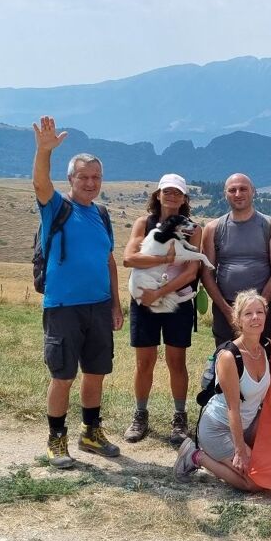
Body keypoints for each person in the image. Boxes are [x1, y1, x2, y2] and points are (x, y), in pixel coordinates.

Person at [32, 116, 124, 469]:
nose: (90, 182)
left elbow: (109, 261)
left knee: (96, 372)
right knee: (63, 376)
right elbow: (40, 182)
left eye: (95, 177)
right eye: (83, 177)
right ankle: (57, 439)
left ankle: (91, 432)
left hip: (98, 307)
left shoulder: (101, 214)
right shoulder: (57, 207)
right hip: (64, 307)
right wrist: (44, 151)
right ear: (70, 179)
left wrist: (116, 304)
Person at [121, 174, 202, 446]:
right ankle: (140, 414)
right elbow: (129, 258)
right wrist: (167, 258)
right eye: (167, 191)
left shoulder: (194, 229)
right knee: (144, 362)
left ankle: (180, 417)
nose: (172, 196)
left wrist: (160, 292)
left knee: (176, 362)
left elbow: (192, 271)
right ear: (157, 195)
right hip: (146, 301)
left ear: (184, 199)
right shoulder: (143, 223)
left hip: (175, 301)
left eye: (177, 193)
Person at [174, 290, 271, 492]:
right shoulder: (229, 356)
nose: (255, 317)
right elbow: (232, 409)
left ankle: (239, 452)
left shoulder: (267, 349)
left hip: (247, 426)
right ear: (238, 319)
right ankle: (195, 455)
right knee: (254, 483)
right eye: (248, 313)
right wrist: (239, 451)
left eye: (260, 312)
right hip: (218, 428)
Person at [201, 174, 271, 347]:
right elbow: (207, 273)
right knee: (226, 359)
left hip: (263, 307)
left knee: (265, 360)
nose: (238, 193)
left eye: (243, 189)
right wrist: (227, 311)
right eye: (232, 190)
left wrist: (259, 308)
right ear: (225, 194)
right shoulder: (212, 229)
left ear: (253, 192)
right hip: (226, 308)